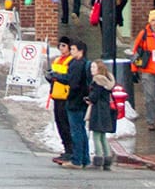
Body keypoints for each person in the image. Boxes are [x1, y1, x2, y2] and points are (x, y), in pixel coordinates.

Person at [49, 38, 91, 167]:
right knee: (80, 130)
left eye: (73, 49)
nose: (70, 51)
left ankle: (76, 159)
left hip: (73, 100)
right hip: (74, 99)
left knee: (76, 130)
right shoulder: (81, 63)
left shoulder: (77, 64)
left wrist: (57, 77)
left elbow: (73, 82)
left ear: (80, 51)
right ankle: (84, 159)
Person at [87, 63, 121, 172]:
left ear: (99, 69)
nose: (91, 69)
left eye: (94, 67)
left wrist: (88, 98)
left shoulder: (98, 81)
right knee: (102, 136)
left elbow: (94, 97)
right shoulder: (108, 82)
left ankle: (98, 159)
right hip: (106, 111)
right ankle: (107, 159)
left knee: (96, 135)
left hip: (97, 111)